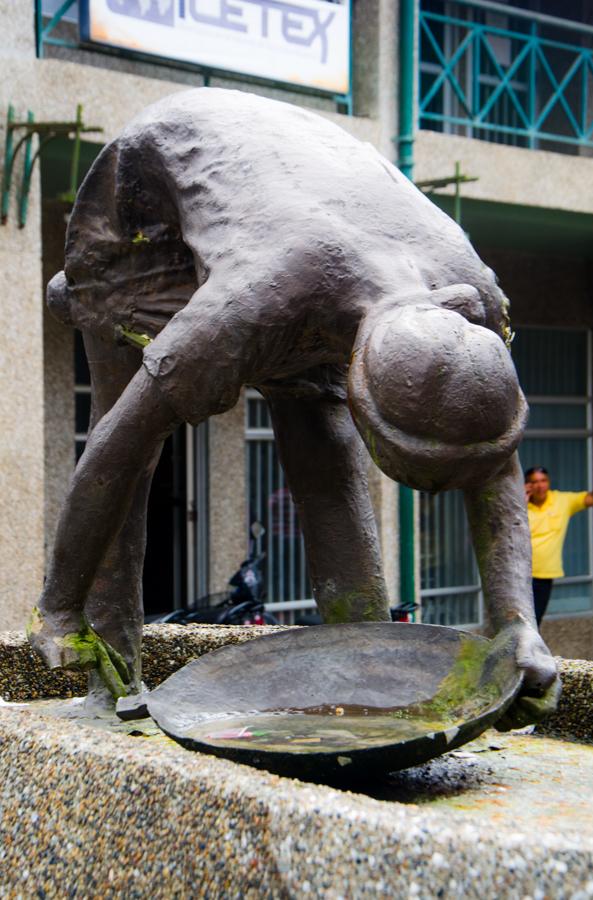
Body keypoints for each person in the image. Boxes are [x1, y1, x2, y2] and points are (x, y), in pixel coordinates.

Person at [28, 88, 559, 727]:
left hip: (305, 210)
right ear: (366, 389)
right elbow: (115, 447)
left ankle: (366, 672)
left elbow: (493, 462)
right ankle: (111, 673)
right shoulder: (245, 308)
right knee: (137, 434)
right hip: (141, 210)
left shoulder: (475, 297)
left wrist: (515, 625)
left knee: (324, 439)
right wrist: (59, 605)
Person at [525, 466, 593, 625]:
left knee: (534, 623)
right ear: (527, 485)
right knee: (518, 625)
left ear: (549, 482)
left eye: (543, 481)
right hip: (519, 575)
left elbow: (591, 499)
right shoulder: (520, 503)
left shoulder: (561, 500)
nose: (540, 485)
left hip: (544, 576)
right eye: (534, 482)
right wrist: (519, 497)